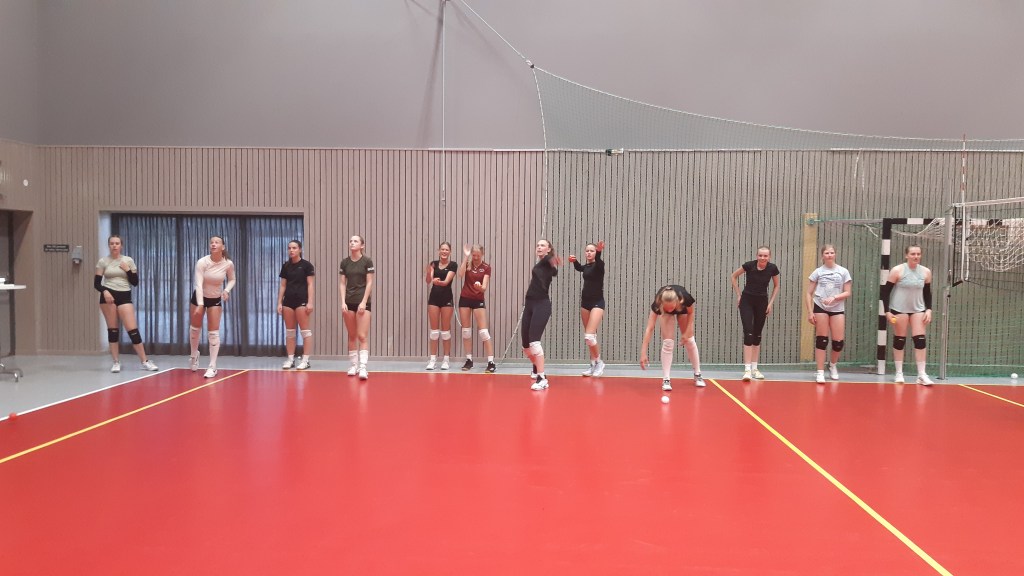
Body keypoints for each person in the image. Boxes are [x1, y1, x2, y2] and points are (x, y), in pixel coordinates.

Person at [95, 235, 159, 373]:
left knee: (132, 330)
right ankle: (116, 362)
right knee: (113, 330)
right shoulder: (103, 261)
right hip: (108, 296)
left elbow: (135, 282)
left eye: (117, 243)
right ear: (109, 245)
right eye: (112, 243)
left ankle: (145, 361)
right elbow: (97, 283)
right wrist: (105, 291)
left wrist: (127, 270)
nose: (114, 245)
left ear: (121, 245)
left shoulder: (128, 260)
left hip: (124, 295)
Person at [882, 244, 933, 385]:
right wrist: (887, 311)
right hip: (899, 309)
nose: (916, 256)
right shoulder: (897, 270)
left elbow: (927, 293)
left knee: (920, 340)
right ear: (906, 255)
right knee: (900, 340)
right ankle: (899, 373)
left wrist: (929, 309)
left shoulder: (926, 272)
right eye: (913, 254)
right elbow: (885, 292)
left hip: (918, 309)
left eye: (918, 254)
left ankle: (921, 374)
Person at [639, 285, 705, 390]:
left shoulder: (685, 298)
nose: (670, 310)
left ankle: (698, 374)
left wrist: (686, 333)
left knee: (689, 340)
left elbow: (691, 313)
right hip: (665, 314)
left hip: (682, 311)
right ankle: (666, 379)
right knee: (668, 343)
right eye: (667, 307)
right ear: (662, 303)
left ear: (677, 301)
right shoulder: (658, 304)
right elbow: (649, 328)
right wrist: (643, 352)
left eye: (671, 307)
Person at [730, 246, 781, 381]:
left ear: (769, 257)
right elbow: (733, 276)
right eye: (760, 255)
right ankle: (747, 369)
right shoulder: (749, 266)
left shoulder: (772, 268)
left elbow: (777, 285)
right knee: (748, 333)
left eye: (765, 256)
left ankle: (755, 368)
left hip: (762, 302)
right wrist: (739, 295)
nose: (763, 258)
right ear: (757, 256)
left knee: (757, 334)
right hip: (747, 301)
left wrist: (770, 303)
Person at [189, 235, 236, 378]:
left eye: (217, 242)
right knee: (195, 329)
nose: (213, 244)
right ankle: (194, 355)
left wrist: (226, 290)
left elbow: (232, 279)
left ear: (223, 247)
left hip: (215, 299)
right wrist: (200, 304)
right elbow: (198, 284)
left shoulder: (228, 264)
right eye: (211, 242)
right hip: (199, 297)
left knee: (213, 333)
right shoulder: (202, 262)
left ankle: (212, 366)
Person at [805, 244, 852, 384]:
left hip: (837, 308)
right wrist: (810, 312)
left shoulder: (843, 271)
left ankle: (832, 365)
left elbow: (848, 292)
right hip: (820, 307)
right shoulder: (818, 272)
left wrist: (835, 297)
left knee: (838, 342)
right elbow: (808, 293)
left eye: (832, 252)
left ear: (835, 254)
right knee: (822, 340)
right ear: (823, 255)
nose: (829, 255)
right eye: (827, 253)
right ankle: (820, 371)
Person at [523, 239, 561, 391]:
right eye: (537, 245)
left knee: (534, 342)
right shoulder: (541, 264)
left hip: (542, 305)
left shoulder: (546, 261)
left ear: (548, 249)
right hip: (529, 304)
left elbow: (550, 261)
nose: (539, 247)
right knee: (526, 347)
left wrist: (552, 259)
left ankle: (542, 378)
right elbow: (552, 269)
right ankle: (536, 367)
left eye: (542, 245)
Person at [569, 241, 607, 377]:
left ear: (596, 253)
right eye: (587, 251)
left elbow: (599, 261)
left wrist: (599, 251)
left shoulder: (599, 266)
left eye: (592, 251)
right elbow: (579, 268)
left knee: (589, 336)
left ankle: (599, 362)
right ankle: (593, 365)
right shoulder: (586, 266)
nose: (589, 253)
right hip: (585, 303)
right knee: (590, 337)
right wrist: (574, 261)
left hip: (597, 303)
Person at [339, 235, 374, 380]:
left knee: (362, 335)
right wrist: (343, 302)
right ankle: (353, 365)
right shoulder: (344, 262)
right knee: (352, 335)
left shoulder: (367, 261)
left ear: (362, 245)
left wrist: (364, 301)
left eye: (355, 241)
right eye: (351, 241)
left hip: (362, 302)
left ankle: (363, 367)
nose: (352, 243)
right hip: (349, 302)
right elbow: (342, 283)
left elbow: (370, 282)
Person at [457, 244, 496, 373]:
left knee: (484, 332)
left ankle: (491, 362)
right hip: (465, 299)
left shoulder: (486, 267)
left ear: (482, 254)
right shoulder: (468, 264)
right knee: (466, 331)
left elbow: (484, 288)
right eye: (474, 255)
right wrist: (466, 257)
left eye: (478, 255)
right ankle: (469, 360)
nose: (476, 258)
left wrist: (479, 287)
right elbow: (460, 274)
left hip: (478, 299)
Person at [277, 240, 315, 370]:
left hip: (302, 301)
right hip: (288, 301)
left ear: (300, 249)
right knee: (290, 332)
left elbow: (310, 284)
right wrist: (279, 302)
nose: (291, 250)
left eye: (294, 248)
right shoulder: (286, 266)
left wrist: (310, 302)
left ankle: (305, 360)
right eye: (289, 248)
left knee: (305, 331)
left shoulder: (306, 266)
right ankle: (290, 359)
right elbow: (283, 285)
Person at [424, 242, 457, 370]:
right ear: (439, 251)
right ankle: (432, 359)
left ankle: (446, 360)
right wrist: (429, 273)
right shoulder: (433, 263)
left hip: (446, 299)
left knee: (445, 332)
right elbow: (428, 281)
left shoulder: (453, 265)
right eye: (442, 249)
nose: (444, 251)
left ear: (450, 252)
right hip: (434, 299)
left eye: (446, 250)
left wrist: (437, 282)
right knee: (434, 332)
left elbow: (446, 282)